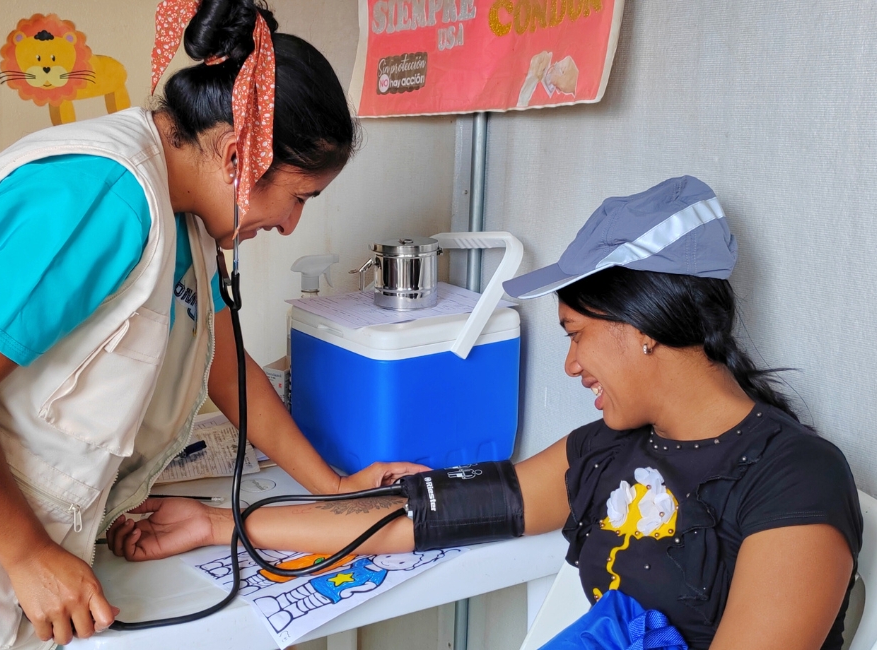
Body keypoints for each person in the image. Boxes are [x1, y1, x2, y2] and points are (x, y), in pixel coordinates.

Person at [0, 2, 426, 648]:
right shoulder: (103, 199)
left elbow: (226, 365)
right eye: (298, 198)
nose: (289, 225)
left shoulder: (187, 215)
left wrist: (331, 488)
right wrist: (29, 555)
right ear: (237, 156)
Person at [113, 177, 863, 650]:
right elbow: (415, 516)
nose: (570, 366)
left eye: (576, 335)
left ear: (641, 324)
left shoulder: (793, 478)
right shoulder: (604, 453)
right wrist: (219, 525)